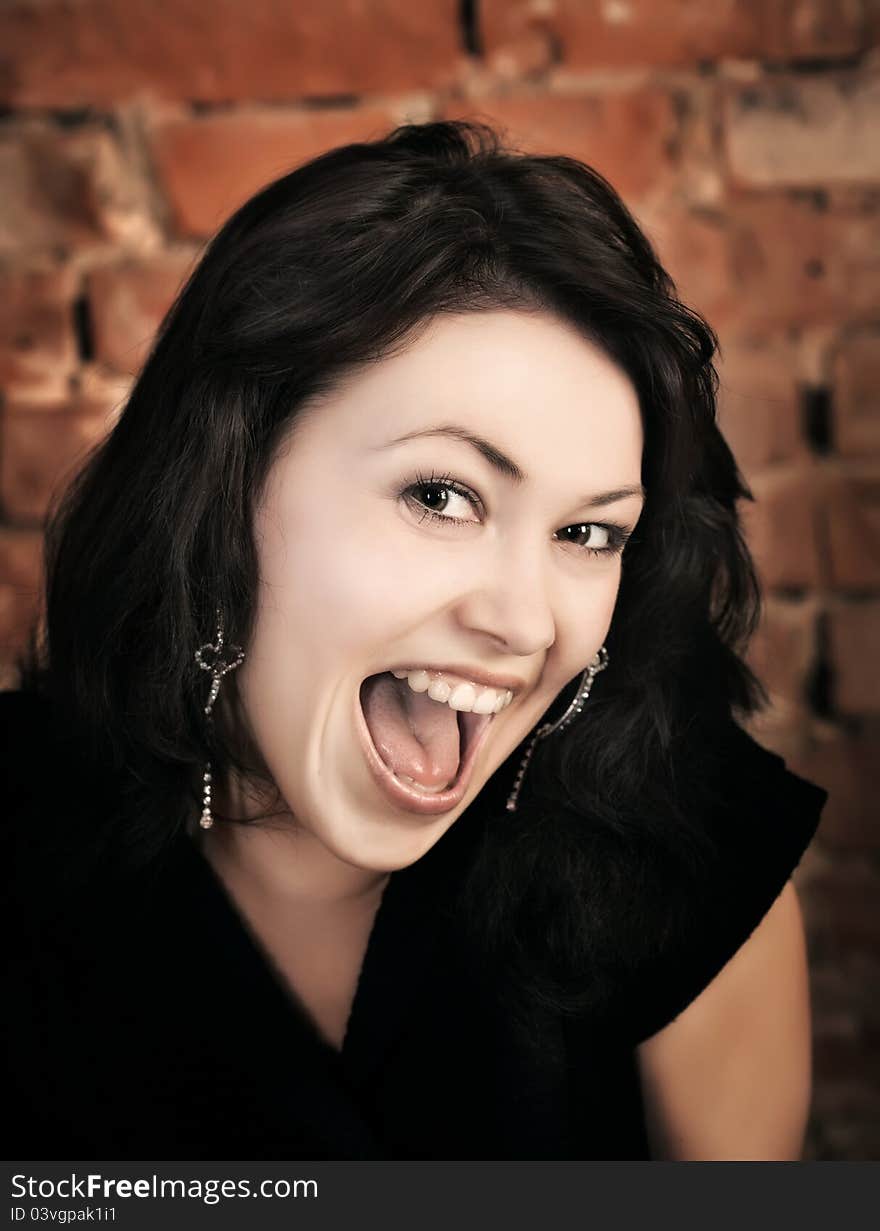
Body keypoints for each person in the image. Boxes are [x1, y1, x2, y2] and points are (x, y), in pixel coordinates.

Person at [3, 120, 827, 1161]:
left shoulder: (690, 865)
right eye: (441, 495)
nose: (526, 624)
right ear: (227, 484)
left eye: (586, 532)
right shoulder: (22, 833)